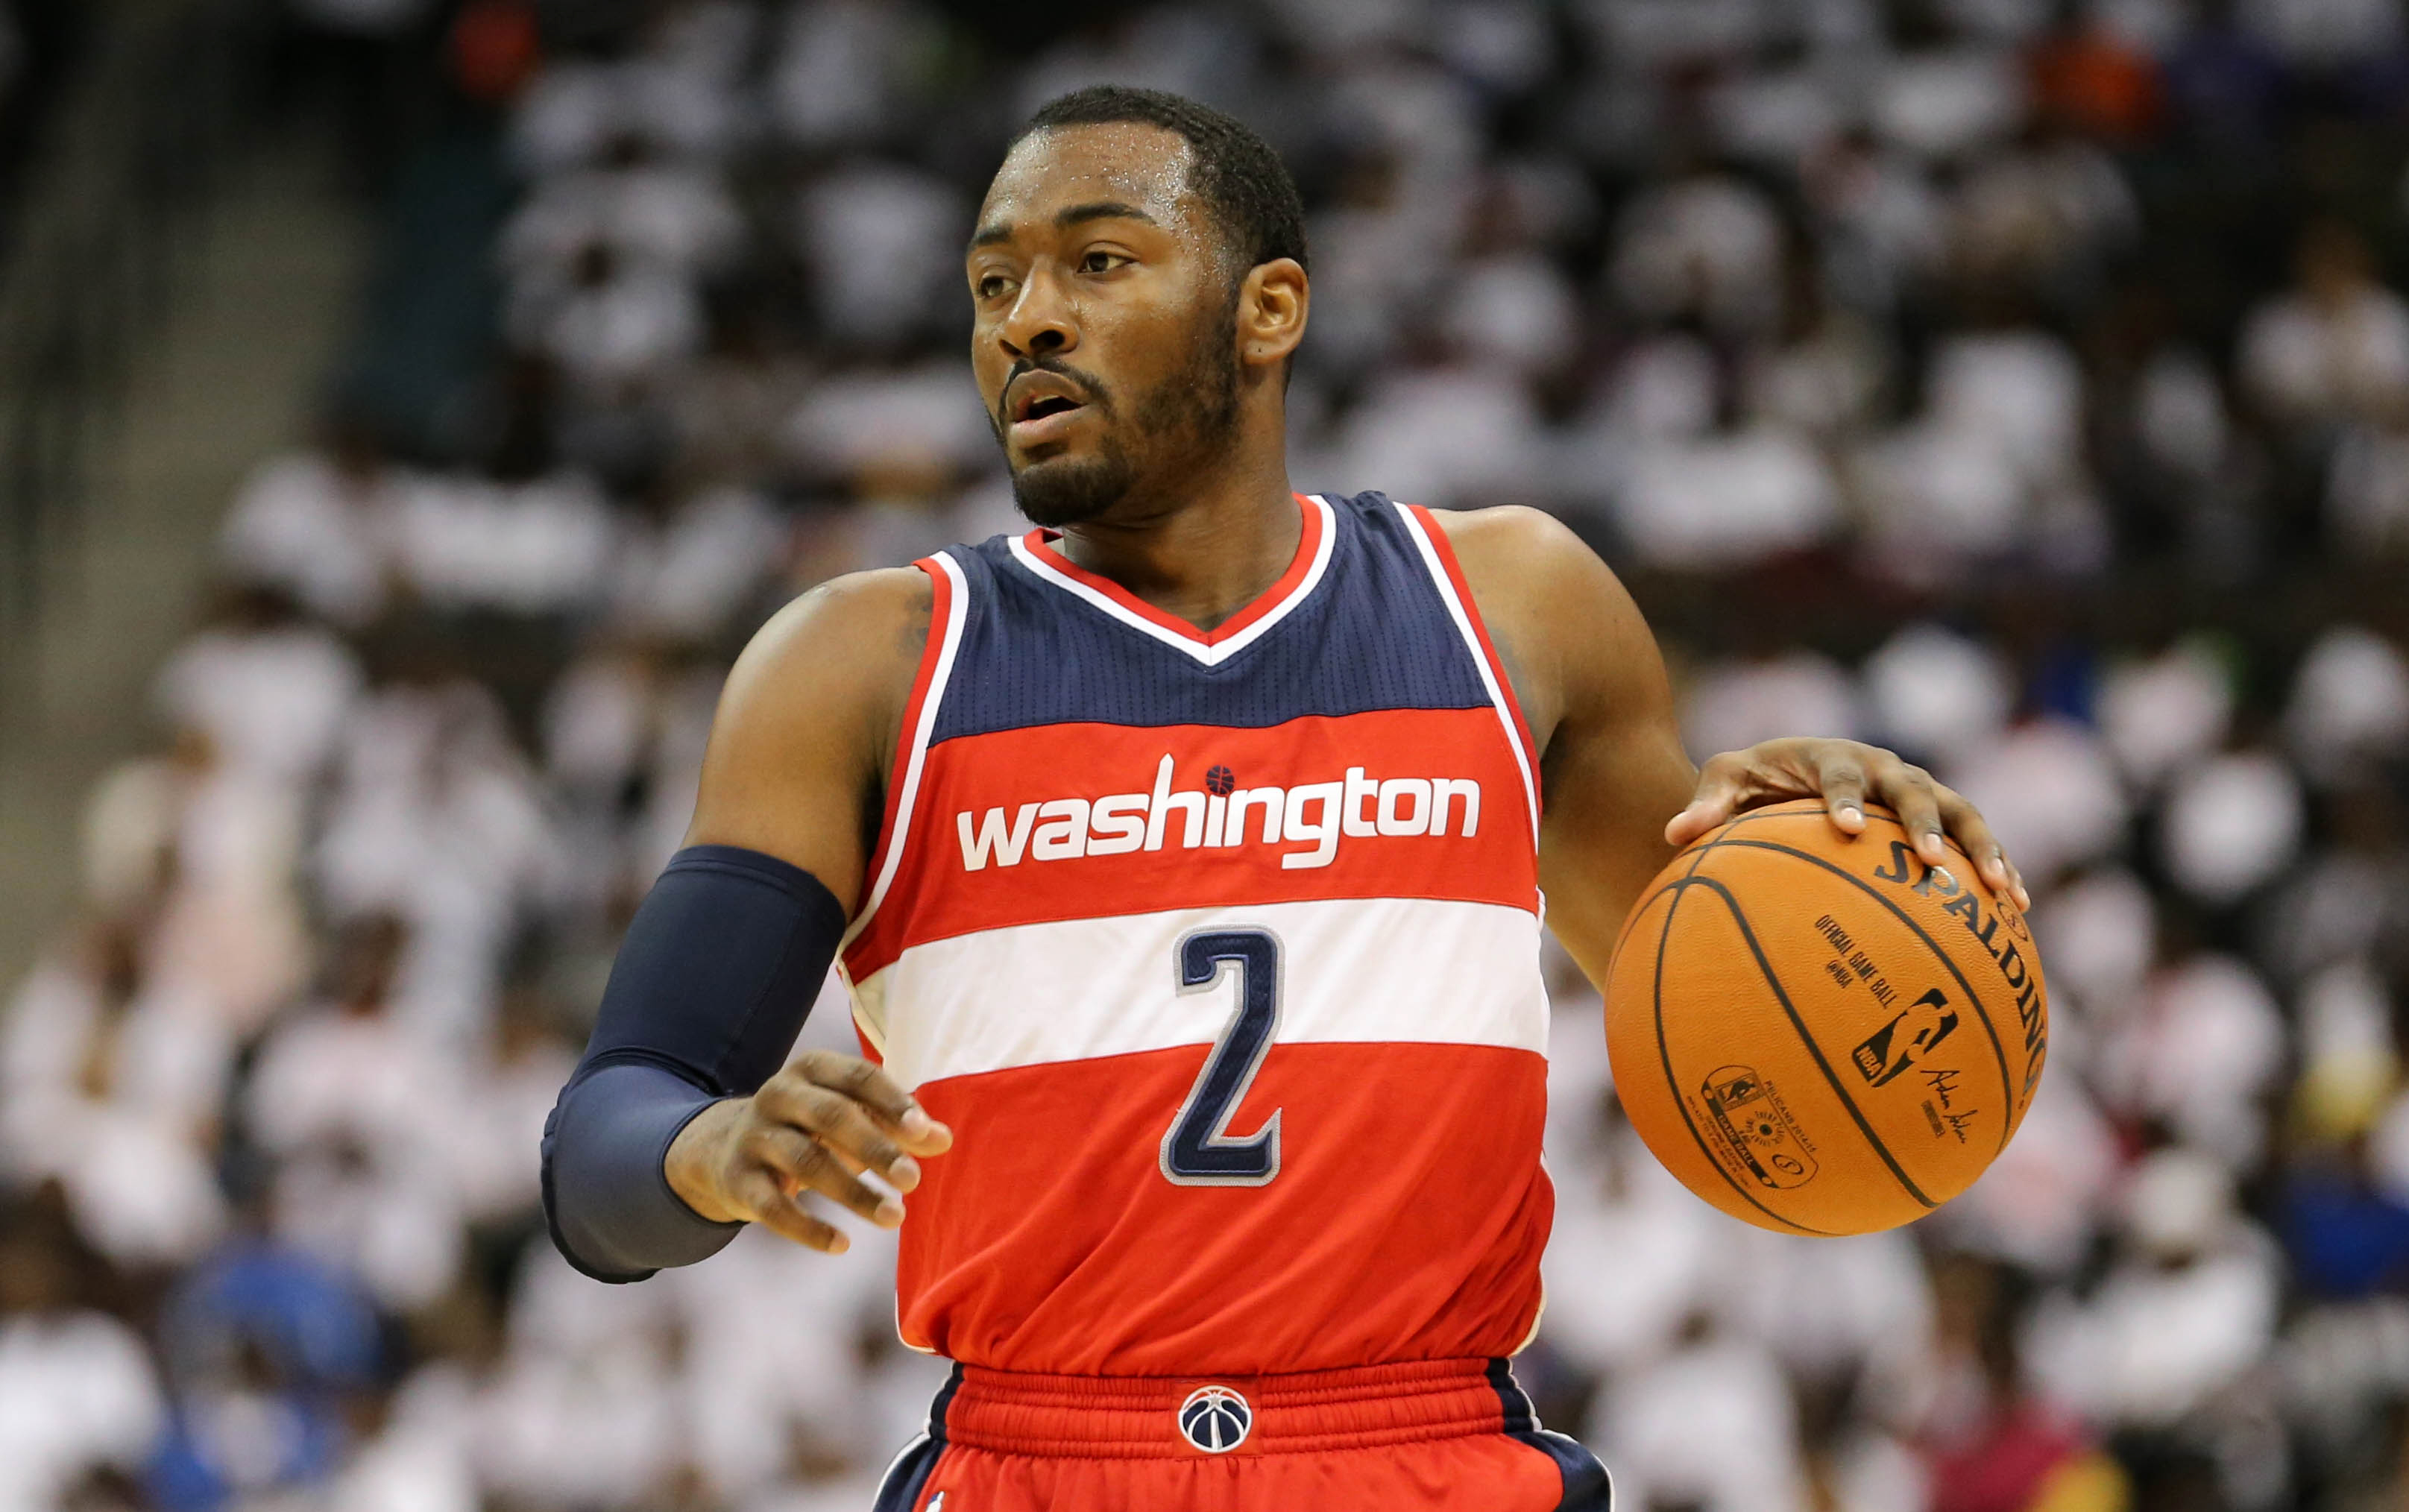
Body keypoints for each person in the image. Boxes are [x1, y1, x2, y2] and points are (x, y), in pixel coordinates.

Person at [541, 85, 2029, 1512]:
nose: (1027, 319)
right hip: (1038, 1460)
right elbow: (606, 1140)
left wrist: (1819, 855)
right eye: (993, 285)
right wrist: (706, 1153)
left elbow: (1725, 1001)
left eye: (1097, 262)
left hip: (1426, 1456)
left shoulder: (1514, 609)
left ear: (1268, 311)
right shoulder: (862, 665)